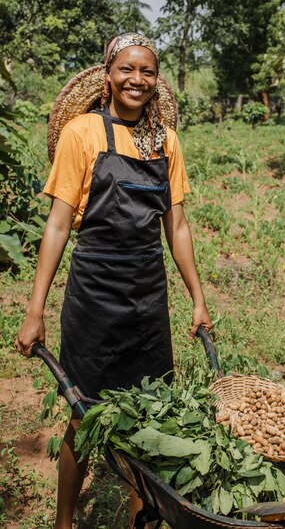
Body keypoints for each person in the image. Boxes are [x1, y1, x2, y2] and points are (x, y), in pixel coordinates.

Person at [15, 32, 212, 529]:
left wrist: (198, 298)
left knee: (152, 417)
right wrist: (34, 312)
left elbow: (178, 225)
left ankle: (138, 521)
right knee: (84, 416)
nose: (137, 80)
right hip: (95, 293)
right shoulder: (82, 134)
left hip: (148, 295)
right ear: (108, 75)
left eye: (147, 71)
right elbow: (58, 226)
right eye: (127, 69)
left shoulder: (165, 142)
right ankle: (64, 522)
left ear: (156, 81)